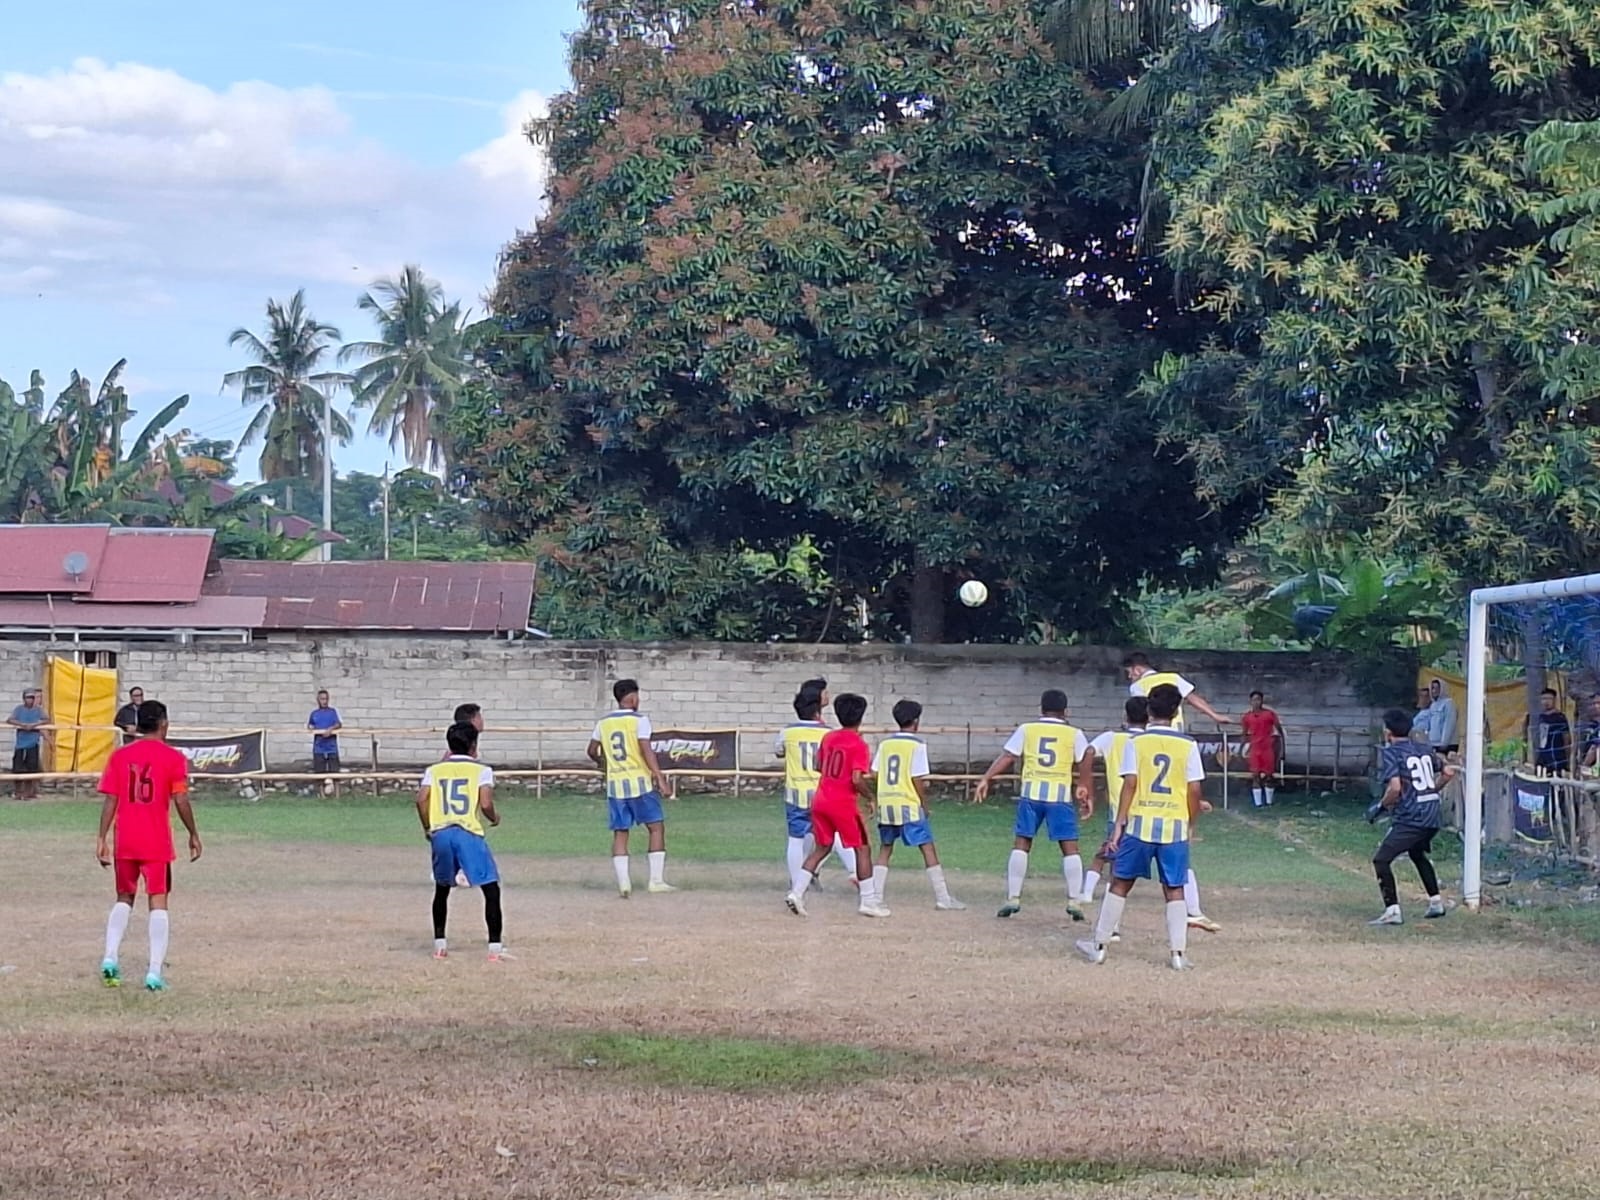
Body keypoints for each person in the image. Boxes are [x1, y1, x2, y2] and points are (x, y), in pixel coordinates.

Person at [1077, 684, 1210, 971]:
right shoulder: (1188, 745)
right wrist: (1190, 823)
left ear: (1149, 710)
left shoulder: (1136, 743)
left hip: (1139, 825)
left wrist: (1119, 823)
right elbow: (1194, 790)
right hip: (1174, 825)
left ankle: (1099, 946)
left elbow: (1131, 784)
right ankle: (1178, 954)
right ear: (1176, 711)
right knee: (1174, 887)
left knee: (1120, 882)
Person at [95, 700, 201, 991]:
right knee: (158, 900)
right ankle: (154, 971)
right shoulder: (173, 757)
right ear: (163, 724)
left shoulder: (120, 756)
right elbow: (180, 798)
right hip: (155, 840)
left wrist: (102, 838)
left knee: (124, 897)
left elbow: (111, 799)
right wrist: (193, 833)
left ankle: (110, 956)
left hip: (126, 839)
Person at [974, 688, 1095, 921]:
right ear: (1066, 711)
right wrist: (1084, 786)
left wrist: (986, 778)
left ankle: (1013, 897)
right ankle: (1074, 900)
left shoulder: (1027, 729)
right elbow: (1085, 759)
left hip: (1031, 794)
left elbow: (1008, 756)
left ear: (1041, 709)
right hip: (1059, 797)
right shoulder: (1074, 734)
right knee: (1069, 847)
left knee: (1022, 843)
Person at [785, 693, 887, 918]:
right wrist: (870, 797)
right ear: (861, 717)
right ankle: (868, 901)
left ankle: (796, 892)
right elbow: (856, 779)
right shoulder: (858, 743)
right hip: (843, 803)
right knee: (862, 848)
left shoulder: (829, 737)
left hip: (821, 799)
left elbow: (818, 765)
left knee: (822, 847)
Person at [417, 721, 506, 961]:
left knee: (442, 889)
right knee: (491, 888)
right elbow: (485, 803)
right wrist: (494, 818)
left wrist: (428, 827)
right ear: (473, 745)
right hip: (467, 833)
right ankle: (495, 949)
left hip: (441, 833)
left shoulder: (434, 770)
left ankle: (439, 945)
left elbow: (421, 799)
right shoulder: (482, 770)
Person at [871, 699, 964, 910]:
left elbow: (875, 772)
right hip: (908, 803)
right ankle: (943, 898)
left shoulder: (885, 744)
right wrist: (924, 803)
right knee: (927, 847)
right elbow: (917, 778)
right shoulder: (917, 745)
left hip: (887, 803)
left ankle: (875, 897)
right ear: (916, 721)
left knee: (885, 848)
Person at [587, 679, 674, 897]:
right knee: (656, 827)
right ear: (633, 697)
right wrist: (660, 778)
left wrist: (603, 764)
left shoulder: (603, 723)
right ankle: (656, 881)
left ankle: (624, 884)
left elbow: (591, 750)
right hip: (640, 783)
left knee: (620, 832)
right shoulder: (639, 720)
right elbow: (646, 750)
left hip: (616, 786)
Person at [1369, 708, 1454, 925]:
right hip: (1432, 814)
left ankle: (1392, 911)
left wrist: (1380, 806)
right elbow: (1448, 772)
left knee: (1381, 860)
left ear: (1388, 732)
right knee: (1417, 853)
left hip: (1412, 816)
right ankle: (1436, 902)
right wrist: (1431, 791)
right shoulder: (1423, 749)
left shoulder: (1392, 753)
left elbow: (1395, 788)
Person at [774, 689, 854, 895]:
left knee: (796, 839)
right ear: (818, 710)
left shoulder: (787, 732)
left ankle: (796, 885)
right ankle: (855, 871)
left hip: (796, 794)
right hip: (823, 792)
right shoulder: (829, 733)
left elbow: (779, 752)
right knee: (836, 833)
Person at [1082, 696, 1148, 908]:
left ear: (1125, 716)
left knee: (1108, 852)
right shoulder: (1151, 740)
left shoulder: (1111, 738)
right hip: (1146, 808)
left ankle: (1088, 892)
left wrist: (1086, 784)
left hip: (1118, 807)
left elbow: (1089, 751)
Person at [1123, 653, 1230, 731]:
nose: (1129, 676)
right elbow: (1192, 698)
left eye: (1129, 672)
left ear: (1137, 669)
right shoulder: (1174, 677)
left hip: (1150, 730)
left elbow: (1137, 711)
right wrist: (1215, 715)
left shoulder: (1137, 686)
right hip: (1175, 729)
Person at [1240, 690, 1285, 807]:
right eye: (1254, 700)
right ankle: (1258, 804)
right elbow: (1244, 734)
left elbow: (1280, 731)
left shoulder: (1269, 714)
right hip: (1255, 750)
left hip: (1267, 749)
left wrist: (1282, 749)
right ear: (1250, 701)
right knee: (1255, 776)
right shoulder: (1247, 717)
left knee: (1269, 776)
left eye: (1258, 699)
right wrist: (1241, 749)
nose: (1256, 702)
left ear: (1262, 701)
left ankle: (1269, 802)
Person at [8, 687, 48, 800]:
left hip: (32, 744)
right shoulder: (19, 709)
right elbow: (10, 720)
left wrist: (34, 725)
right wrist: (22, 725)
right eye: (28, 697)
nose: (30, 700)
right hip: (20, 744)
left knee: (32, 768)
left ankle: (29, 793)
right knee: (17, 768)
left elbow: (46, 719)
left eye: (32, 697)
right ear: (23, 698)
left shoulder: (38, 710)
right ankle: (18, 792)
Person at [1532, 688, 1572, 775]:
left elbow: (1566, 738)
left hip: (1556, 756)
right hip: (1542, 756)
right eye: (1544, 699)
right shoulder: (1540, 717)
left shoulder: (1560, 717)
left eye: (1549, 699)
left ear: (1554, 700)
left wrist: (1567, 758)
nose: (1546, 701)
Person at [307, 689, 342, 775]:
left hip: (331, 747)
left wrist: (331, 729)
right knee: (319, 774)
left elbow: (338, 724)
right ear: (318, 700)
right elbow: (310, 725)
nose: (324, 701)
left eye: (326, 699)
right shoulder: (314, 713)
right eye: (322, 699)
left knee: (334, 773)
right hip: (319, 747)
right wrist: (311, 728)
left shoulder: (332, 712)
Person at [1425, 677, 1459, 755]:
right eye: (1432, 688)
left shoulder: (1449, 703)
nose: (1434, 691)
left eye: (1437, 688)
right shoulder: (1433, 705)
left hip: (1448, 744)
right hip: (1434, 743)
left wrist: (1444, 742)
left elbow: (1449, 724)